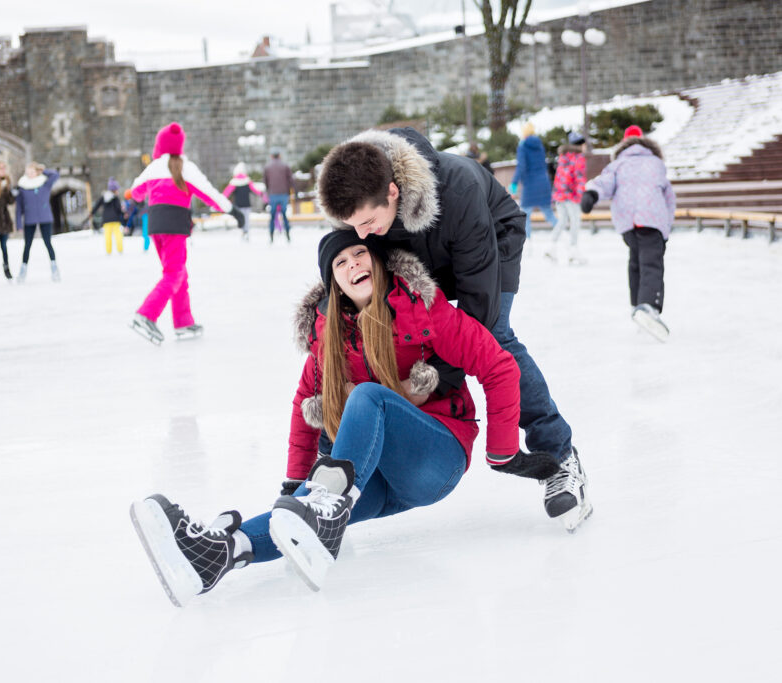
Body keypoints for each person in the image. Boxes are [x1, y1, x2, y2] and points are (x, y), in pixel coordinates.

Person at [129, 231, 521, 604]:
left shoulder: (421, 309)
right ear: (334, 282)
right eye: (341, 262)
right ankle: (216, 555)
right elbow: (303, 410)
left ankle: (325, 513)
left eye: (360, 255)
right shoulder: (328, 339)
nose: (353, 265)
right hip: (376, 478)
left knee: (369, 400)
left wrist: (502, 451)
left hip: (437, 458)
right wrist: (295, 490)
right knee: (298, 512)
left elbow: (499, 367)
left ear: (378, 263)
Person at [316, 127, 592, 532]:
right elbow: (349, 265)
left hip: (489, 241)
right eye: (351, 225)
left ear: (392, 191)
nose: (360, 235)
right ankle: (334, 467)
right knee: (373, 324)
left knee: (494, 337)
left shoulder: (458, 190)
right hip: (420, 254)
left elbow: (477, 313)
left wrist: (440, 377)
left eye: (367, 223)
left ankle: (560, 454)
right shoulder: (362, 197)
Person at [128, 122, 235, 344]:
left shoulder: (154, 167)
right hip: (175, 225)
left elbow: (136, 192)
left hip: (156, 226)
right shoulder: (186, 167)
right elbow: (209, 194)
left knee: (178, 273)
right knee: (174, 274)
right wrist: (232, 210)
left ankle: (183, 322)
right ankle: (146, 314)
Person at [581, 125, 676, 342]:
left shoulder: (618, 164)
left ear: (624, 144)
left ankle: (637, 304)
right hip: (652, 220)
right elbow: (669, 197)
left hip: (628, 223)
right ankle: (648, 306)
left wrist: (591, 194)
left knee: (636, 261)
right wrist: (666, 227)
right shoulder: (656, 163)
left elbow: (603, 182)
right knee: (652, 263)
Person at [545, 131, 588, 265]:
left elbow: (558, 177)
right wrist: (581, 195)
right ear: (580, 145)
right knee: (575, 221)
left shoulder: (563, 157)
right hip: (571, 195)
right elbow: (579, 178)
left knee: (562, 220)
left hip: (559, 194)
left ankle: (551, 247)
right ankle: (573, 250)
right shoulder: (578, 157)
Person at [510, 122, 556, 240]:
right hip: (543, 182)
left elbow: (521, 166)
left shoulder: (523, 146)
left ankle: (527, 243)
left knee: (524, 216)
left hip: (530, 184)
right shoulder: (539, 145)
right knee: (549, 214)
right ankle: (562, 233)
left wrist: (514, 183)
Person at [14, 161, 61, 281]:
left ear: (36, 172)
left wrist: (42, 170)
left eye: (32, 172)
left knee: (48, 243)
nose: (30, 174)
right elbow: (19, 208)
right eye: (28, 172)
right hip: (30, 219)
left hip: (45, 218)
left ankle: (54, 268)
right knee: (27, 245)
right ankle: (23, 270)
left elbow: (55, 175)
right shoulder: (23, 187)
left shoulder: (44, 183)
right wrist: (18, 223)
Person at [222, 162, 267, 241]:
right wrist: (263, 196)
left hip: (238, 205)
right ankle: (246, 231)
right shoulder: (247, 181)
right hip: (247, 204)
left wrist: (221, 199)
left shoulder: (234, 182)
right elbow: (256, 190)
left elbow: (226, 193)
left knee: (241, 218)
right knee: (246, 219)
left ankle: (243, 231)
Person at [262, 148, 295, 243]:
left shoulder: (267, 167)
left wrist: (269, 190)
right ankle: (288, 234)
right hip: (284, 194)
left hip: (273, 194)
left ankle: (271, 236)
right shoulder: (285, 166)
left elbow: (265, 181)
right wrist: (290, 190)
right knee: (284, 215)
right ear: (279, 155)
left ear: (271, 156)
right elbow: (290, 180)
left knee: (272, 216)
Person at [90, 177, 126, 256]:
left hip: (106, 220)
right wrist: (123, 214)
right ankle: (120, 250)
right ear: (114, 190)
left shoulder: (104, 197)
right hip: (115, 219)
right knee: (118, 235)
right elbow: (118, 209)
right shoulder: (116, 198)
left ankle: (108, 251)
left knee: (107, 236)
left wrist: (92, 213)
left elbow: (97, 205)